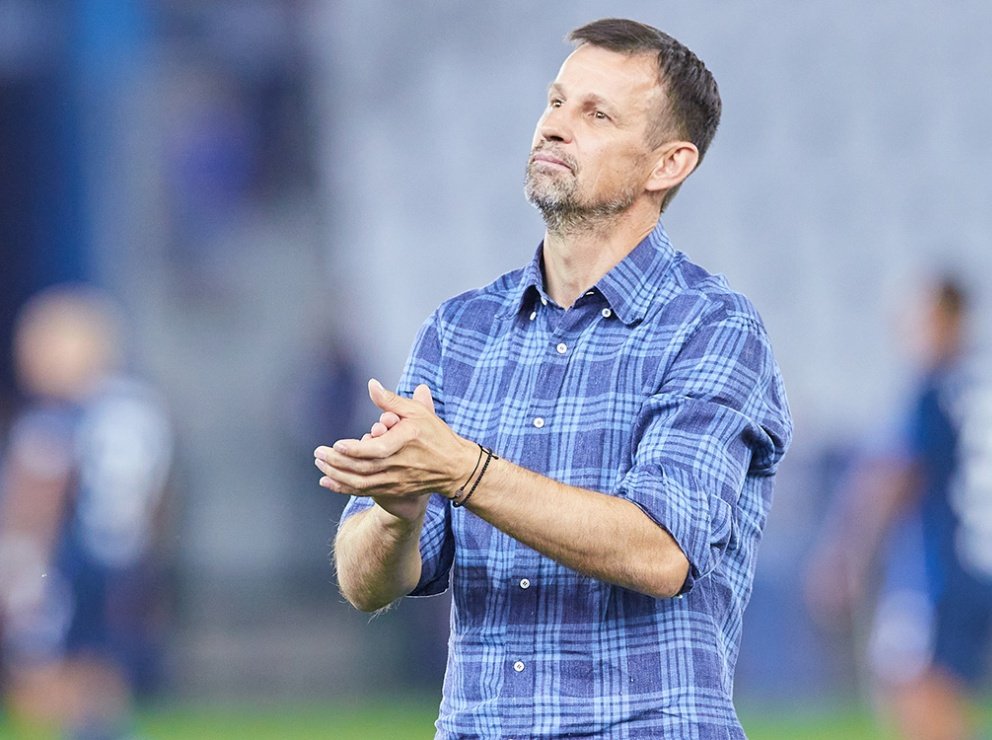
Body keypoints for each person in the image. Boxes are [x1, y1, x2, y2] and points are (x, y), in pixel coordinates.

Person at [315, 18, 792, 738]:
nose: (555, 125)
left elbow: (661, 550)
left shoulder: (712, 327)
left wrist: (463, 470)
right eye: (557, 101)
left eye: (597, 114)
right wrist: (396, 513)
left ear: (668, 164)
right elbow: (363, 582)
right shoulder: (459, 330)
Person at [804, 276, 992, 740]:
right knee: (938, 705)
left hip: (938, 572)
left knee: (915, 703)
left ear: (946, 320)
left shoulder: (937, 390)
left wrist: (848, 556)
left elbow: (895, 478)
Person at [0, 285, 173, 739]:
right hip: (125, 562)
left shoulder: (54, 420)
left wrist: (18, 575)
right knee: (104, 674)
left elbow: (36, 505)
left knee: (41, 681)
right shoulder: (139, 407)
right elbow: (160, 498)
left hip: (68, 562)